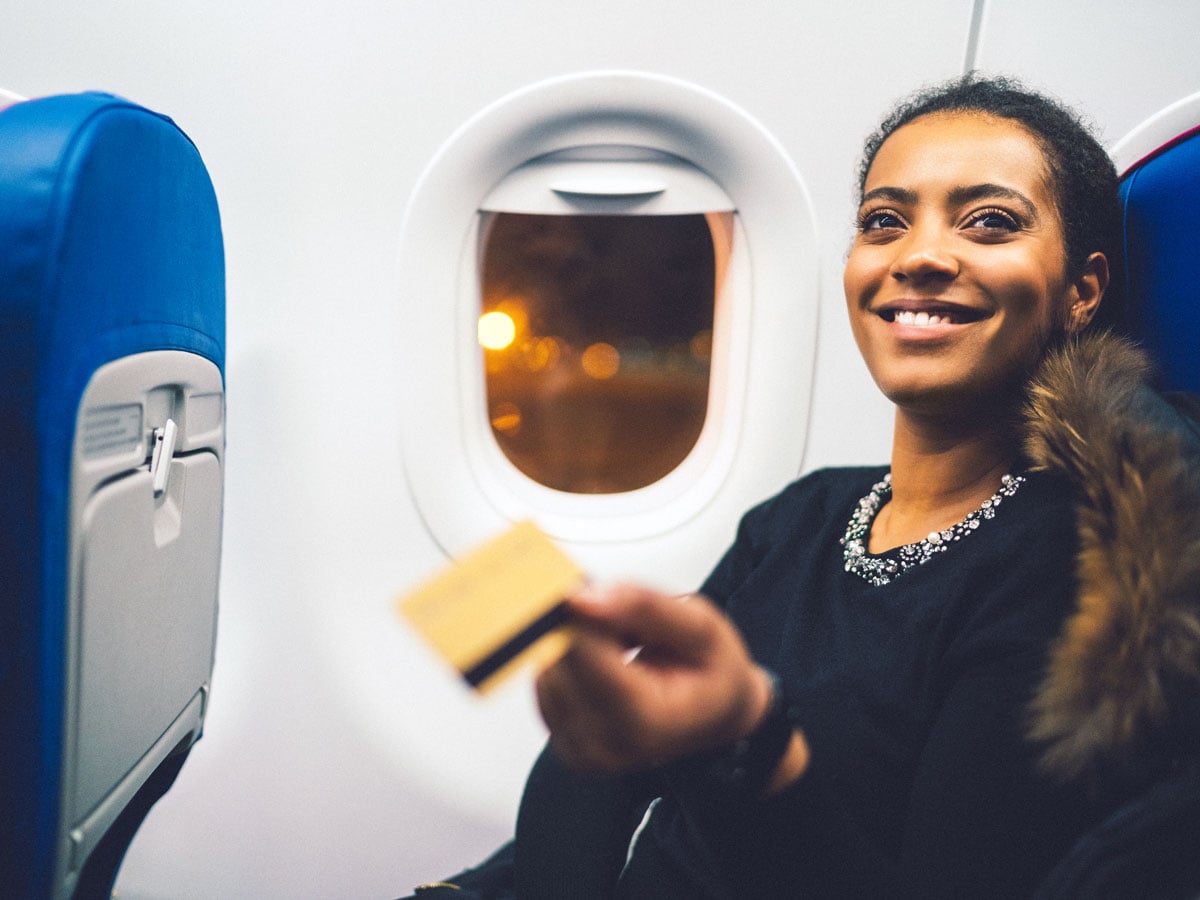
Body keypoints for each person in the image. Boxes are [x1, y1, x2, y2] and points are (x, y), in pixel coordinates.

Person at [404, 75, 1200, 899]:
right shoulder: (802, 518)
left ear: (1084, 291)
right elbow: (602, 775)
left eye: (989, 222)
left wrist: (748, 747)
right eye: (884, 221)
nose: (919, 255)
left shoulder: (1079, 570)